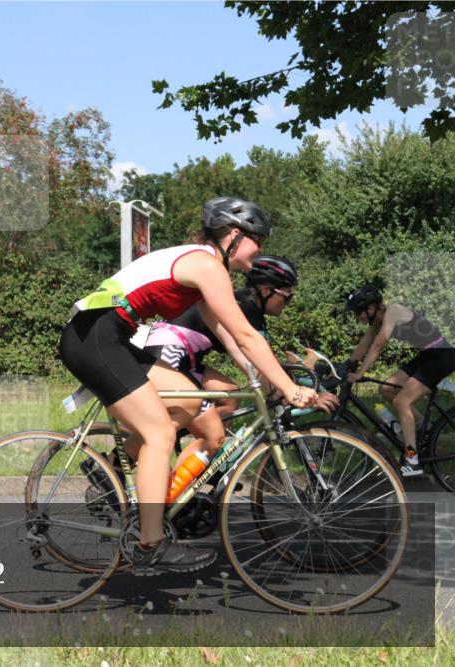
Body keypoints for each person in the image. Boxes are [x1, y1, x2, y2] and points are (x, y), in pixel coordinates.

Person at [58, 197, 318, 574]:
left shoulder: (205, 268)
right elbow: (246, 334)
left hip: (112, 337)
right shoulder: (207, 266)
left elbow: (229, 335)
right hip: (95, 338)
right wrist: (288, 387)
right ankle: (151, 543)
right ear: (234, 235)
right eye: (258, 241)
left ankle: (136, 493)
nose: (260, 252)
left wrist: (262, 378)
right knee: (160, 433)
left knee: (192, 405)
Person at [142, 255, 338, 471]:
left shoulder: (248, 307)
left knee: (229, 394)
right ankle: (179, 492)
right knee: (211, 435)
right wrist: (295, 394)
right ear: (266, 290)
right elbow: (255, 366)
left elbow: (267, 363)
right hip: (168, 353)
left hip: (182, 356)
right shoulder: (246, 309)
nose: (289, 301)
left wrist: (290, 389)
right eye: (287, 295)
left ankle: (204, 457)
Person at [343, 285, 455, 476]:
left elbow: (378, 345)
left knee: (402, 401)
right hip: (428, 355)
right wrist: (347, 364)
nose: (357, 318)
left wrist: (360, 372)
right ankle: (424, 429)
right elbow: (366, 343)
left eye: (357, 313)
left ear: (370, 309)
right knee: (386, 389)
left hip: (442, 356)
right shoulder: (376, 321)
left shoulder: (393, 312)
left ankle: (412, 461)